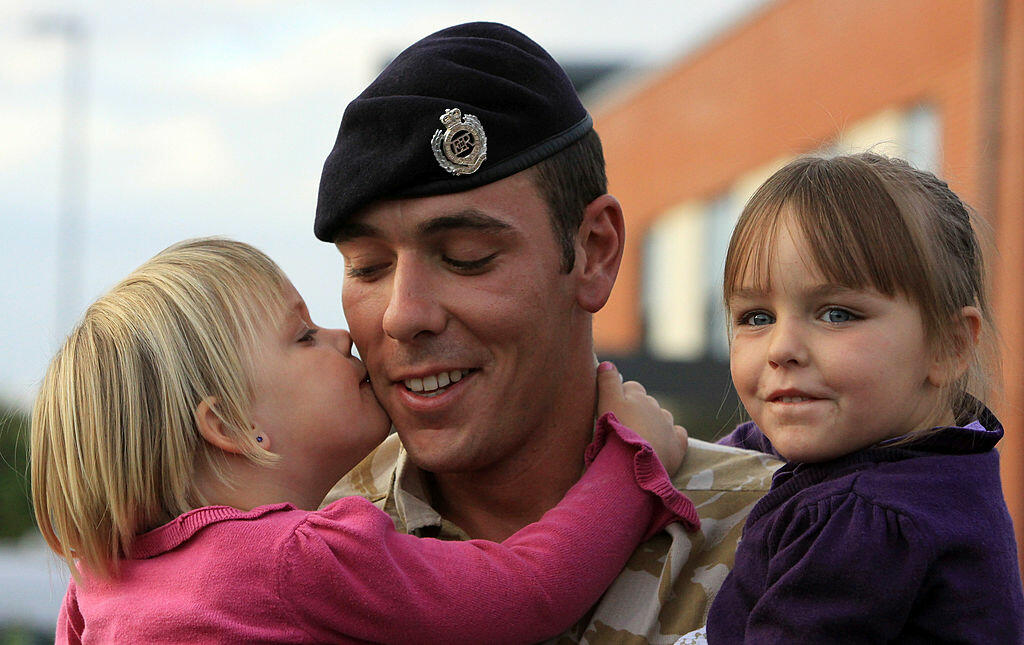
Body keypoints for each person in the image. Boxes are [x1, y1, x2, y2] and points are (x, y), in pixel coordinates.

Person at [315, 21, 783, 641]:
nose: (403, 315)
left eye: (466, 255)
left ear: (594, 251)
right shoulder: (296, 544)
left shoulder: (785, 538)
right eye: (367, 268)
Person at [30, 237, 701, 644]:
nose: (343, 336)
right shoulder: (299, 559)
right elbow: (527, 591)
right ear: (231, 425)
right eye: (302, 335)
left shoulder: (97, 585)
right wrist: (629, 459)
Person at [698, 154, 1024, 642]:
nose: (782, 348)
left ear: (949, 345)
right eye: (756, 317)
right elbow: (746, 449)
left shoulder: (863, 523)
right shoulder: (938, 466)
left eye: (836, 315)